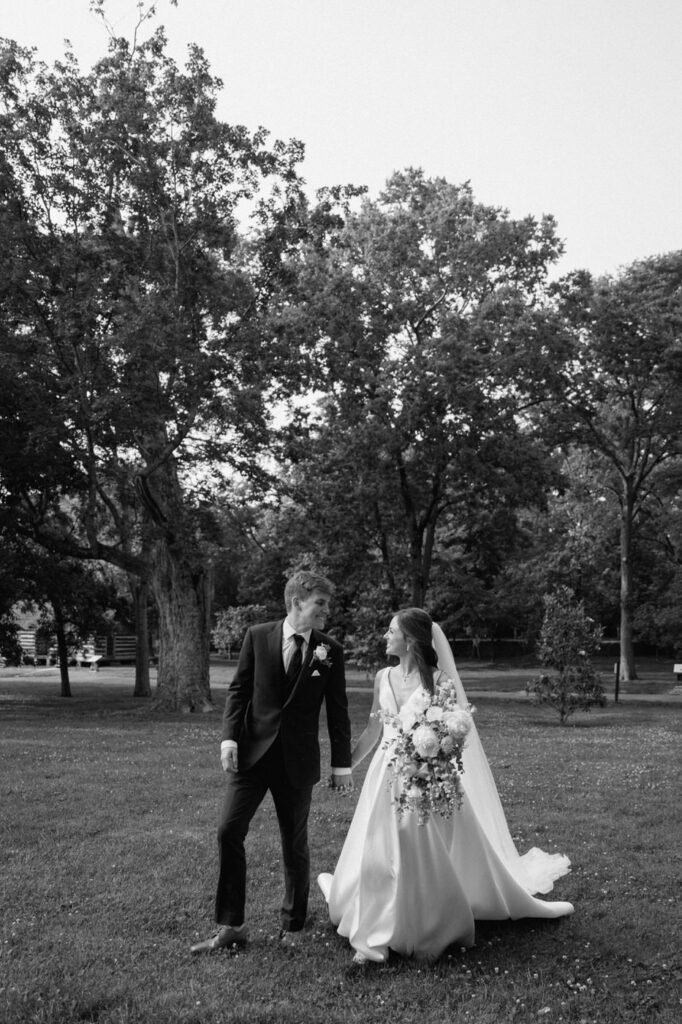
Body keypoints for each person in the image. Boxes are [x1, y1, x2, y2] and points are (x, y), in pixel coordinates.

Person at [318, 608, 573, 965]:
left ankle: (424, 921)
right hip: (385, 776)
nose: (385, 636)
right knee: (377, 848)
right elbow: (374, 730)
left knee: (415, 848)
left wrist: (432, 759)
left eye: (391, 631)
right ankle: (376, 919)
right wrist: (344, 766)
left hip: (427, 776)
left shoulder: (439, 681)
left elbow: (454, 732)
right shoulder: (382, 676)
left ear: (409, 640)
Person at [191, 571, 353, 954]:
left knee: (293, 842)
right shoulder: (257, 636)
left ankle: (293, 925)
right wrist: (228, 738)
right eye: (321, 604)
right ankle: (232, 926)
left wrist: (341, 765)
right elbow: (239, 690)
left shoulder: (330, 651)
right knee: (228, 830)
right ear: (298, 602)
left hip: (297, 761)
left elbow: (339, 713)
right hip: (251, 755)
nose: (327, 611)